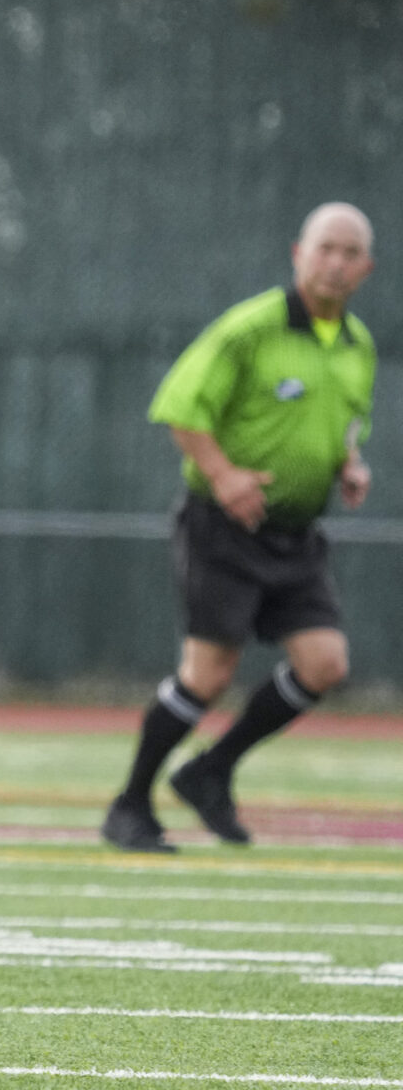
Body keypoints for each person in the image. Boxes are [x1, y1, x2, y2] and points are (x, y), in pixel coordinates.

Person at [103, 202, 376, 853]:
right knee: (208, 674)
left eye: (349, 253)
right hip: (224, 528)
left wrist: (349, 464)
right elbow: (181, 406)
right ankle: (131, 802)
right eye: (324, 248)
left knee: (324, 662)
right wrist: (223, 474)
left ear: (365, 268)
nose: (335, 262)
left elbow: (344, 426)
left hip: (296, 535)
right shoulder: (250, 329)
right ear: (298, 253)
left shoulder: (359, 345)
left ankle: (210, 770)